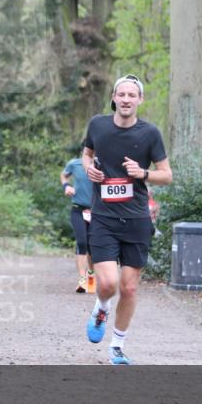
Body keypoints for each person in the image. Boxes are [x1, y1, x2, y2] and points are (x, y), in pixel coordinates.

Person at [82, 74, 173, 365]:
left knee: (130, 288)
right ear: (113, 97)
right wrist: (88, 169)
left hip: (136, 219)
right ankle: (101, 308)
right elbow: (86, 154)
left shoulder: (150, 134)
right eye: (121, 95)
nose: (126, 100)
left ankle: (117, 346)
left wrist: (143, 173)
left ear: (139, 100)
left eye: (132, 95)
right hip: (104, 218)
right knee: (107, 284)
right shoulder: (98, 125)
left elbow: (167, 175)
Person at [61, 147, 94, 293]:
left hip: (97, 212)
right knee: (82, 242)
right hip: (78, 209)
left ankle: (92, 276)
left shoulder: (102, 165)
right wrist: (66, 186)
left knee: (93, 245)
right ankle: (82, 280)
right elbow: (64, 175)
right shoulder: (74, 164)